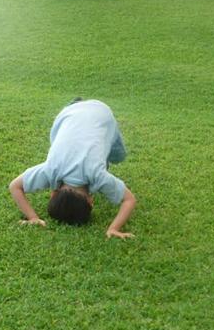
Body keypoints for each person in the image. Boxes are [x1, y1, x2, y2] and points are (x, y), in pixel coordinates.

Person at [9, 99, 136, 239]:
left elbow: (129, 200)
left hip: (101, 114)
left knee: (115, 153)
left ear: (91, 201)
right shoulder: (51, 168)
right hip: (70, 114)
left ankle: (78, 104)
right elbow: (15, 187)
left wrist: (114, 229)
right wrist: (32, 217)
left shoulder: (98, 175)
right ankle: (77, 103)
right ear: (53, 193)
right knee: (105, 151)